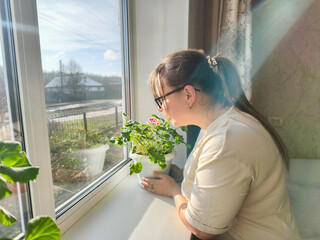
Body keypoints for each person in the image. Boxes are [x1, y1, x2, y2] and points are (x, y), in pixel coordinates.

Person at [140, 49, 301, 240]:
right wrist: (180, 175)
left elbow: (202, 228)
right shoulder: (222, 122)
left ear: (189, 95)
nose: (160, 109)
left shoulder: (226, 140)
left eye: (161, 99)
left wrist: (174, 190)